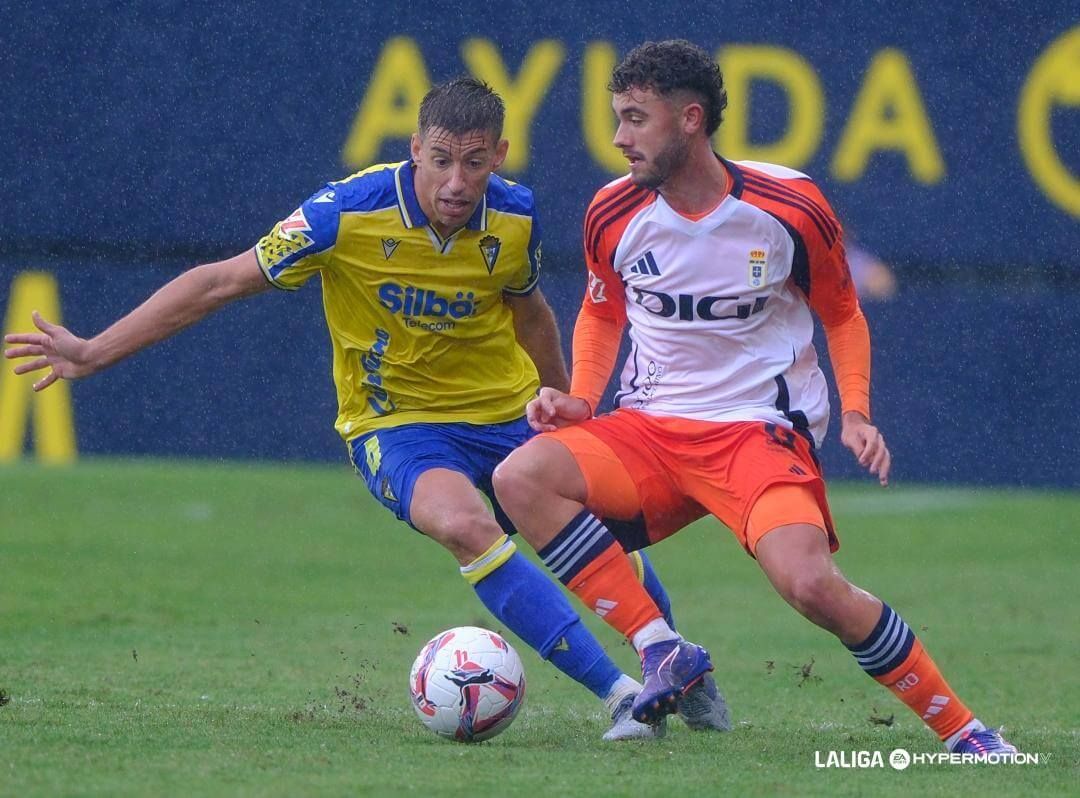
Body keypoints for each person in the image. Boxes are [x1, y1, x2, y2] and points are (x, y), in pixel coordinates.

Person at [4, 77, 729, 740]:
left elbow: (530, 308)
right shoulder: (342, 213)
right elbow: (218, 283)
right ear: (413, 148)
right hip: (397, 423)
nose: (455, 181)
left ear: (500, 156)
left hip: (507, 411)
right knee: (463, 523)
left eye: (475, 162)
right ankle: (621, 697)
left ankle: (675, 663)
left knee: (600, 534)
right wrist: (95, 351)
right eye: (440, 159)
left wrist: (569, 402)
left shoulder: (514, 215)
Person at [492, 41, 1017, 756]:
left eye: (636, 118)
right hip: (647, 430)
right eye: (617, 117)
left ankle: (967, 735)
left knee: (810, 586)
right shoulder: (611, 211)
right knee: (520, 477)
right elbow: (603, 309)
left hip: (756, 434)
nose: (619, 137)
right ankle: (661, 648)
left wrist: (857, 411)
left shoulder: (788, 204)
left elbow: (842, 311)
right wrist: (584, 398)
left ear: (690, 119)